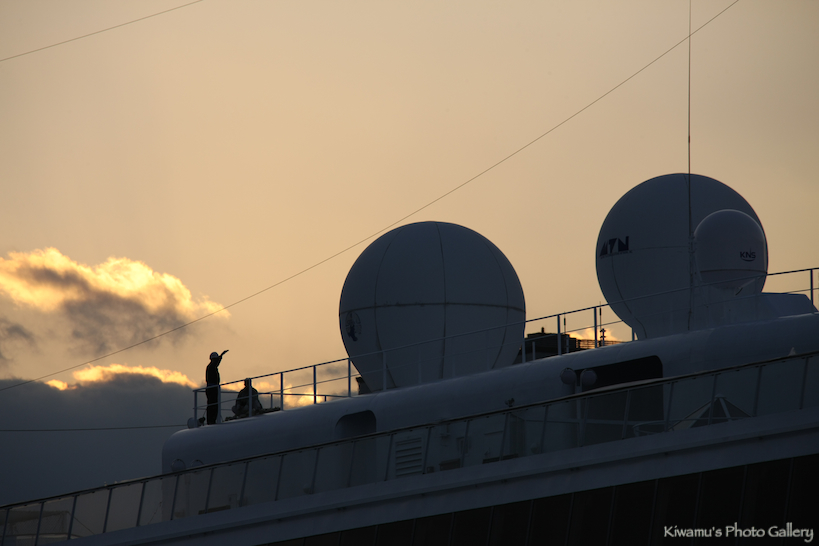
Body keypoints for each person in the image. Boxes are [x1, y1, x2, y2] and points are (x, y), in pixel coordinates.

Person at [205, 350, 228, 424]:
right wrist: (221, 356)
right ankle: (211, 420)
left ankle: (211, 420)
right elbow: (216, 363)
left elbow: (216, 363)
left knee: (212, 405)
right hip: (212, 388)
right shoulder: (211, 366)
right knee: (213, 405)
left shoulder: (211, 367)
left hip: (212, 388)